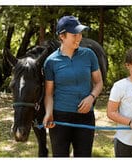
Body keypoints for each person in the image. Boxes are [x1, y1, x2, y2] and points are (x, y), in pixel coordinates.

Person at [42, 15, 103, 157]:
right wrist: (48, 113)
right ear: (62, 36)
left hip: (85, 117)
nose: (79, 38)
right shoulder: (51, 62)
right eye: (74, 34)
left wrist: (91, 97)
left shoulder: (89, 55)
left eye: (80, 33)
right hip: (60, 117)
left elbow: (99, 82)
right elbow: (49, 93)